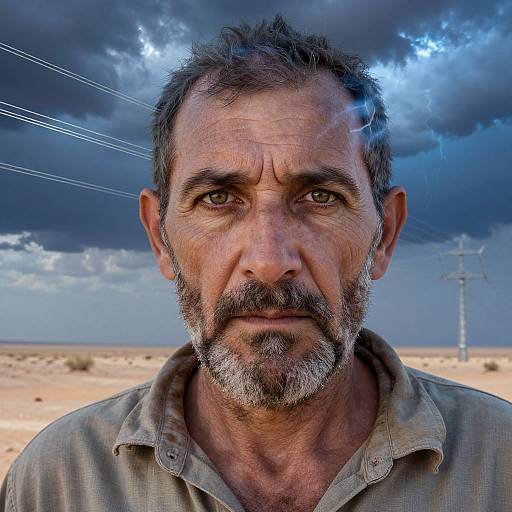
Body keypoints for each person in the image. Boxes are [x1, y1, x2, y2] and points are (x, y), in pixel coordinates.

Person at [1, 15, 511, 512]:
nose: (269, 262)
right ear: (160, 237)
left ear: (385, 235)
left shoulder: (498, 466)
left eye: (320, 196)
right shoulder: (59, 482)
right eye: (219, 199)